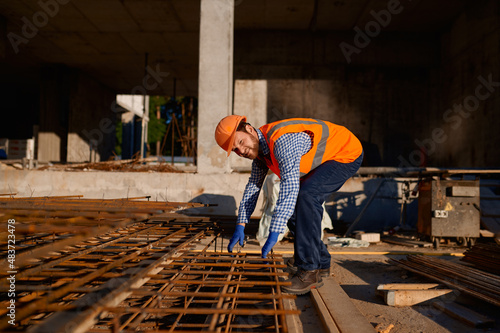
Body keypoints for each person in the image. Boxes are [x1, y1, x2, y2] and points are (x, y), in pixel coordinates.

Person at [214, 115, 363, 294]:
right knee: (297, 204)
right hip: (327, 159)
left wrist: (275, 231)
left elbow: (290, 187)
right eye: (236, 150)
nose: (241, 150)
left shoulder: (282, 142)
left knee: (306, 195)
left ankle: (309, 270)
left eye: (240, 141)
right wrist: (241, 224)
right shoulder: (261, 154)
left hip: (346, 152)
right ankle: (320, 262)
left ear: (250, 130)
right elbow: (253, 188)